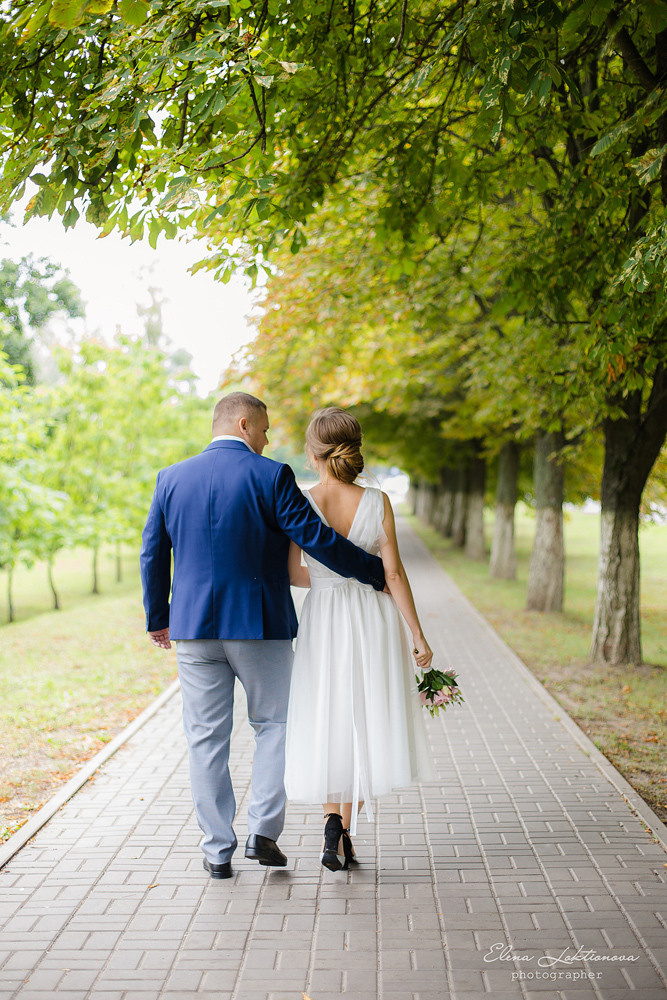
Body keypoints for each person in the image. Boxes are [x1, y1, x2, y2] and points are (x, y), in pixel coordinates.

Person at [139, 392, 386, 880]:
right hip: (260, 626)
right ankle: (262, 832)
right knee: (275, 726)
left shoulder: (171, 478)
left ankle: (216, 851)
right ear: (245, 422)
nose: (269, 439)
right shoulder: (272, 475)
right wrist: (372, 571)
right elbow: (316, 538)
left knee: (206, 738)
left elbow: (153, 552)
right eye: (267, 430)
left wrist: (157, 618)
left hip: (192, 630)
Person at [285, 407, 436, 871]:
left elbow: (293, 573)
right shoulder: (379, 501)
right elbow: (392, 573)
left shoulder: (301, 501)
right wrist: (418, 634)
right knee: (365, 719)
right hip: (373, 618)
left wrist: (331, 584)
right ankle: (345, 830)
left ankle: (334, 826)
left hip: (325, 619)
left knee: (329, 713)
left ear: (313, 452)